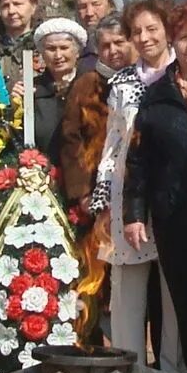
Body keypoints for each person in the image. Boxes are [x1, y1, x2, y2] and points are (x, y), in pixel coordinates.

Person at [124, 1, 187, 373]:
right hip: (173, 215)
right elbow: (138, 161)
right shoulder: (157, 93)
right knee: (185, 303)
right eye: (184, 37)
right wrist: (135, 214)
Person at [92, 0, 176, 364]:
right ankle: (127, 369)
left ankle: (175, 370)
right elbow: (112, 144)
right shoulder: (122, 83)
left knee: (174, 290)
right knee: (126, 290)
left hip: (174, 194)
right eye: (136, 31)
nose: (144, 38)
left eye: (151, 29)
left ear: (167, 30)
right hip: (128, 195)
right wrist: (104, 200)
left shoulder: (184, 75)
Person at [57, 13, 131, 225]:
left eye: (119, 42)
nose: (113, 51)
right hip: (98, 188)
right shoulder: (86, 85)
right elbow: (71, 139)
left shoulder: (146, 80)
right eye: (106, 45)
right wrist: (82, 191)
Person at [30, 18, 86, 149]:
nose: (58, 55)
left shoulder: (90, 86)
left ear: (77, 52)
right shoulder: (32, 90)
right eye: (51, 49)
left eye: (64, 48)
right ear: (42, 53)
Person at [69, 0, 117, 74]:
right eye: (82, 7)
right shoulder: (74, 49)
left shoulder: (128, 41)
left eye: (96, 4)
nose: (89, 13)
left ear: (110, 5)